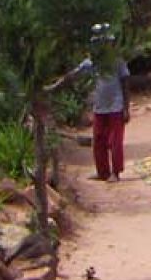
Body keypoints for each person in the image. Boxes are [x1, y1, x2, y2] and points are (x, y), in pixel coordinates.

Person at [48, 23, 131, 182]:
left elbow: (125, 82)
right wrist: (53, 87)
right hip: (99, 107)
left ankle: (115, 172)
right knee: (98, 140)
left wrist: (126, 108)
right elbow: (73, 74)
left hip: (116, 106)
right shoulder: (90, 63)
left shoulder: (117, 61)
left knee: (115, 142)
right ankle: (102, 172)